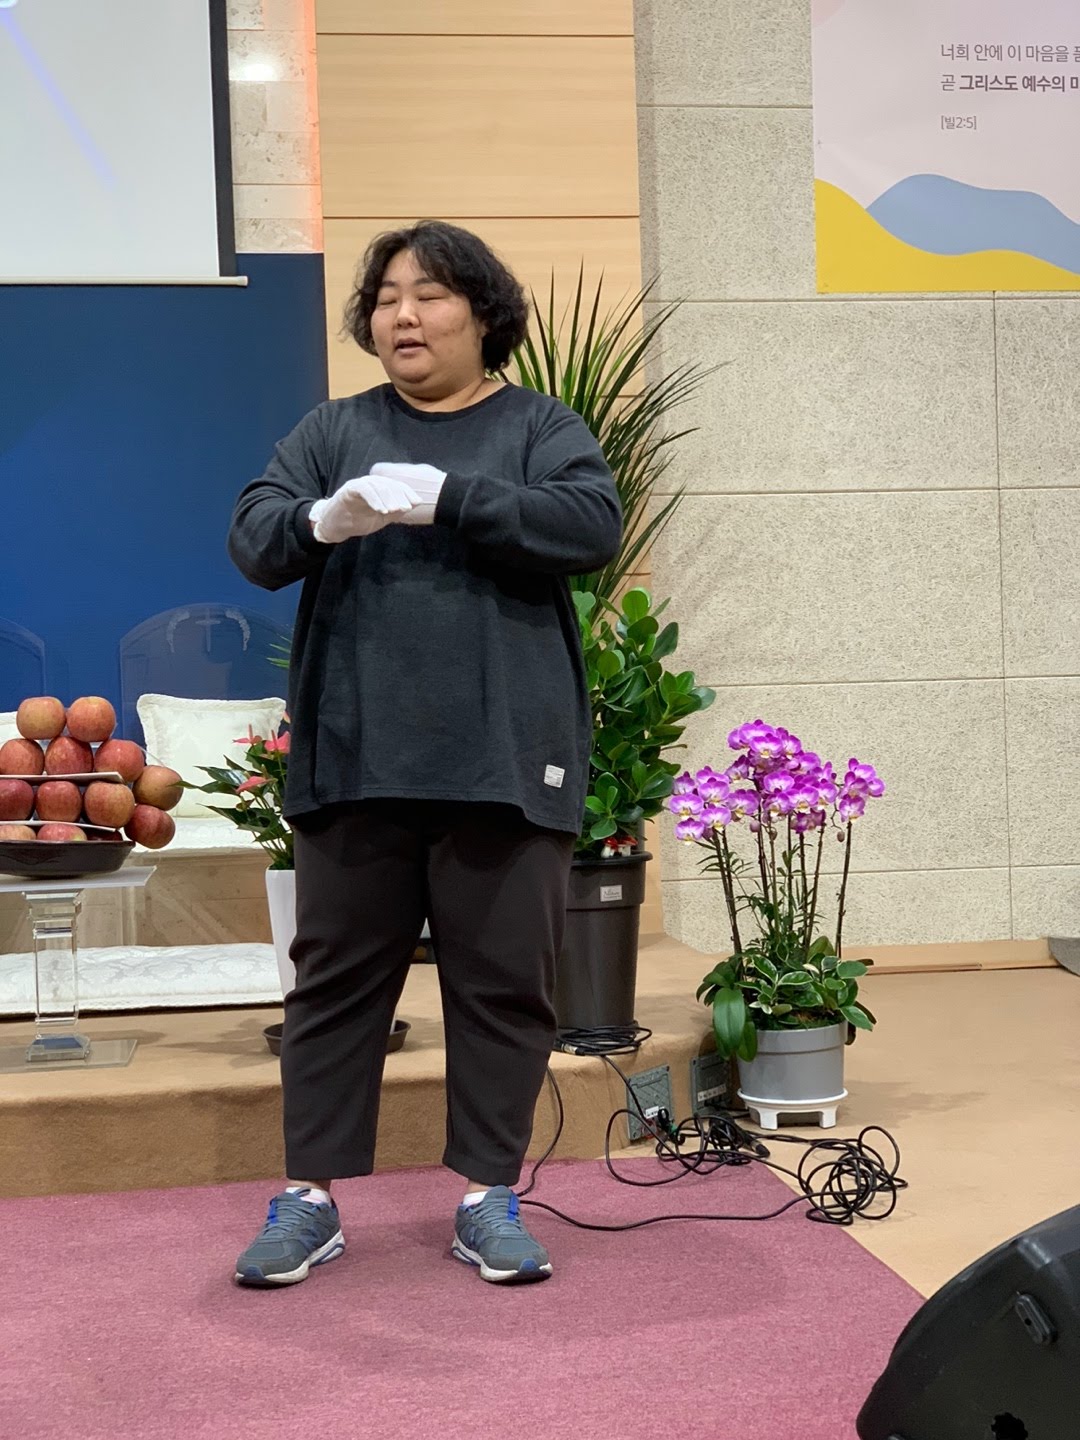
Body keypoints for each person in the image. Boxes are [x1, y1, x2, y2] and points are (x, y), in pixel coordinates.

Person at [227, 221, 622, 1288]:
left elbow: (590, 526)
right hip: (355, 755)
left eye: (431, 295)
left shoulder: (540, 426)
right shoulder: (333, 429)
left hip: (505, 757)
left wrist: (456, 498)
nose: (402, 315)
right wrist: (320, 520)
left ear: (484, 315)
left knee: (503, 985)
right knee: (333, 984)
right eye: (387, 298)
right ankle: (310, 1199)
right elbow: (255, 536)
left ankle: (489, 1195)